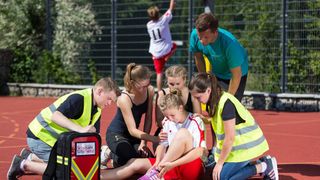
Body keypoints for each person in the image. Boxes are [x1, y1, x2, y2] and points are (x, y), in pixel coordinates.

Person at [7, 77, 121, 179]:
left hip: (52, 141)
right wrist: (80, 129)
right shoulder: (79, 99)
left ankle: (31, 157)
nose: (110, 103)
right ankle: (23, 164)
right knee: (67, 170)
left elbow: (92, 137)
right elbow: (55, 116)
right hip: (39, 137)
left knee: (75, 165)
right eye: (109, 98)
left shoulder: (97, 109)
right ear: (100, 91)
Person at [188, 72, 278, 180]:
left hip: (245, 146)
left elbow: (229, 138)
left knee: (221, 177)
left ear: (208, 90)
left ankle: (264, 166)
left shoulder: (226, 103)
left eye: (198, 97)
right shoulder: (213, 100)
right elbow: (220, 122)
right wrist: (206, 120)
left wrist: (220, 163)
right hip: (235, 148)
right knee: (215, 173)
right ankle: (260, 164)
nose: (198, 101)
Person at [100, 89, 207, 180]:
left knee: (183, 133)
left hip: (189, 167)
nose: (170, 119)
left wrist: (171, 164)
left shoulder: (195, 120)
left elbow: (199, 152)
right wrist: (158, 161)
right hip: (168, 164)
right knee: (134, 162)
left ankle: (157, 171)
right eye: (167, 116)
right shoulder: (168, 122)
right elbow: (162, 145)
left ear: (180, 108)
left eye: (172, 115)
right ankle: (98, 176)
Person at [105, 63, 159, 168]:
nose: (145, 88)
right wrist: (154, 139)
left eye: (147, 85)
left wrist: (144, 143)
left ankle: (119, 157)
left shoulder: (150, 90)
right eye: (142, 86)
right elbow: (132, 130)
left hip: (134, 137)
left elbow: (148, 119)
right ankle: (107, 152)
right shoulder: (124, 98)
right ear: (132, 83)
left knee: (149, 159)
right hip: (116, 134)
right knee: (132, 159)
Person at [189, 12, 249, 101]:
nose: (201, 41)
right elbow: (199, 58)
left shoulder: (230, 45)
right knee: (213, 104)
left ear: (215, 32)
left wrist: (228, 100)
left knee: (230, 106)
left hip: (236, 74)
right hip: (217, 73)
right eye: (199, 37)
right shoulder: (194, 35)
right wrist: (204, 80)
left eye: (205, 37)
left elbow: (236, 74)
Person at [154, 65, 201, 136]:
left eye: (178, 84)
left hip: (189, 131)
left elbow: (198, 118)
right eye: (171, 84)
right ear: (167, 81)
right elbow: (159, 122)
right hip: (168, 130)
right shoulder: (162, 94)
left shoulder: (192, 94)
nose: (175, 87)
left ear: (184, 80)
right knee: (159, 143)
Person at [147, 0, 177, 91]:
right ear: (158, 13)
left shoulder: (148, 25)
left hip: (155, 52)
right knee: (174, 46)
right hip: (166, 49)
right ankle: (167, 57)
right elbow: (171, 8)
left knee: (159, 73)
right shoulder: (164, 20)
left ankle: (159, 92)